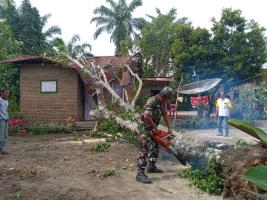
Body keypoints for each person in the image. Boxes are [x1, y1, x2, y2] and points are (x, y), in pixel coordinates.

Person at [136, 86, 175, 184]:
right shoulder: (152, 101)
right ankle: (140, 173)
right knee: (145, 147)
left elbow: (164, 113)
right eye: (168, 98)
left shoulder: (162, 103)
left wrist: (169, 127)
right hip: (145, 127)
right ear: (164, 96)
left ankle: (151, 166)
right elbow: (146, 116)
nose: (169, 101)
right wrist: (155, 128)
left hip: (153, 126)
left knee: (156, 144)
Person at [0, 88, 10, 155]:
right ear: (1, 93)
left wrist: (9, 119)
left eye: (8, 93)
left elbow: (6, 111)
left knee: (5, 136)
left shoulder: (6, 102)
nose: (7, 94)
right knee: (1, 136)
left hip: (6, 120)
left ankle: (1, 149)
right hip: (1, 120)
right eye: (6, 93)